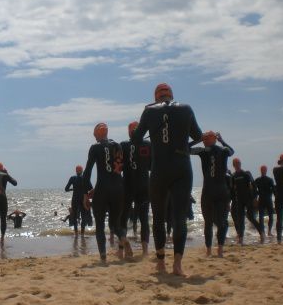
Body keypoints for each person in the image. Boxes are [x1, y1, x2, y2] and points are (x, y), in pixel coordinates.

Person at [132, 83, 202, 276]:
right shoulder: (186, 108)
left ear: (156, 97)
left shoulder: (149, 111)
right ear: (171, 95)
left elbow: (136, 139)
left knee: (159, 217)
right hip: (182, 166)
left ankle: (161, 262)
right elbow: (197, 135)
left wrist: (153, 132)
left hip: (159, 168)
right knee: (179, 218)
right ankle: (177, 264)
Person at [83, 122, 132, 263]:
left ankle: (103, 257)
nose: (94, 137)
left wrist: (86, 193)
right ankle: (123, 238)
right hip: (118, 188)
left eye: (94, 134)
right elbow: (116, 170)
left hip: (102, 189)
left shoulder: (95, 148)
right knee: (115, 224)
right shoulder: (118, 146)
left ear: (98, 133)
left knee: (99, 224)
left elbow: (87, 172)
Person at [190, 131, 234, 257]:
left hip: (214, 191)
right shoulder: (216, 150)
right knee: (216, 222)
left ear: (212, 139)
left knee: (215, 222)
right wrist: (220, 140)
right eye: (204, 139)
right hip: (216, 191)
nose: (205, 141)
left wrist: (198, 139)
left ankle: (214, 250)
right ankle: (214, 250)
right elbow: (232, 151)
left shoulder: (211, 151)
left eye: (206, 139)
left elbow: (186, 149)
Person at [120, 121, 151, 255]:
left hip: (129, 185)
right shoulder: (148, 145)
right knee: (143, 218)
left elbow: (118, 167)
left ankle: (122, 249)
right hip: (141, 185)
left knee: (125, 217)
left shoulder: (124, 145)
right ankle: (144, 251)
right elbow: (152, 166)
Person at [230, 158, 265, 245]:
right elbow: (232, 190)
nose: (238, 164)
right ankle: (241, 238)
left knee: (251, 217)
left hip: (248, 199)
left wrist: (254, 198)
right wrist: (231, 201)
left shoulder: (246, 173)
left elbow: (253, 185)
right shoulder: (233, 176)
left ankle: (262, 233)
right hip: (239, 200)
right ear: (234, 165)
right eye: (236, 163)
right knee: (240, 219)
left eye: (239, 163)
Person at [65, 165, 91, 236]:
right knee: (83, 216)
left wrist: (73, 189)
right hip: (83, 199)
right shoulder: (85, 178)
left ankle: (76, 233)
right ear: (82, 171)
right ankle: (82, 233)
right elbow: (91, 188)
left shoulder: (72, 178)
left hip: (75, 199)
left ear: (76, 171)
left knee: (74, 216)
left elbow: (66, 189)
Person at [254, 165, 275, 236]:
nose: (263, 171)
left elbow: (273, 190)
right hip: (261, 199)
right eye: (262, 170)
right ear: (260, 170)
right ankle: (262, 231)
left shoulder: (270, 180)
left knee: (271, 216)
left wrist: (276, 198)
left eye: (264, 170)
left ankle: (269, 231)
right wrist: (255, 199)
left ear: (266, 170)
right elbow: (254, 191)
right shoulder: (257, 180)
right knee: (261, 217)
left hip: (268, 199)